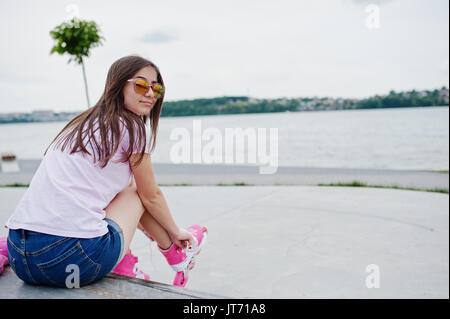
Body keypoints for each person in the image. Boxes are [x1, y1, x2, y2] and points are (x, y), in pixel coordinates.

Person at [3, 55, 207, 288]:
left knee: (125, 188)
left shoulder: (81, 123)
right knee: (135, 190)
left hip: (21, 256)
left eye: (156, 88)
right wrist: (175, 231)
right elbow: (151, 196)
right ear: (119, 84)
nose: (150, 93)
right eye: (141, 85)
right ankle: (173, 253)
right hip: (71, 260)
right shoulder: (132, 127)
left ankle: (146, 258)